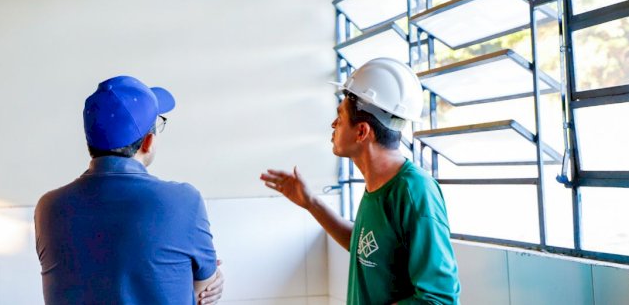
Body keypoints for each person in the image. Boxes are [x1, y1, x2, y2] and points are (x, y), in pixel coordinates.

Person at [261, 58, 460, 304]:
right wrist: (311, 203)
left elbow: (439, 299)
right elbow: (368, 249)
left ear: (362, 131)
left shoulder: (414, 191)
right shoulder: (378, 185)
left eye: (340, 117)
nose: (333, 125)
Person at [35, 75, 224, 305]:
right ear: (148, 142)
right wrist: (210, 279)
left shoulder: (49, 208)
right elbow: (204, 291)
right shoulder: (184, 201)